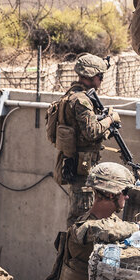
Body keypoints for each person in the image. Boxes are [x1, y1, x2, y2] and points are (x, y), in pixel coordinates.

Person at [49, 162, 140, 280]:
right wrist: (137, 227)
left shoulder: (112, 221)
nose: (127, 196)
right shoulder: (84, 227)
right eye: (124, 192)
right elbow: (101, 230)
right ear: (110, 195)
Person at [53, 53, 122, 227]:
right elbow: (92, 132)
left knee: (77, 217)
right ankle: (73, 253)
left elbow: (82, 131)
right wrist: (111, 119)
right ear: (92, 77)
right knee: (81, 219)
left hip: (76, 163)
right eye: (100, 76)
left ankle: (70, 252)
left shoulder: (71, 95)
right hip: (82, 168)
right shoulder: (81, 100)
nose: (101, 80)